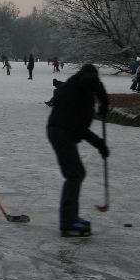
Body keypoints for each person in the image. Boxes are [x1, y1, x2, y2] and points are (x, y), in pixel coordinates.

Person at [46, 63, 110, 237]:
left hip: (62, 131)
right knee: (74, 174)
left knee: (77, 173)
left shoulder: (78, 84)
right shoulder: (77, 96)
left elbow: (96, 86)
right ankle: (67, 222)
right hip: (61, 133)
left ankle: (71, 217)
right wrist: (100, 144)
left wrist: (104, 102)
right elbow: (80, 129)